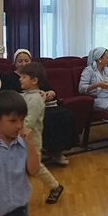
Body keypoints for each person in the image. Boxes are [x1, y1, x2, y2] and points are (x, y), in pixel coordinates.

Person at [3, 49, 77, 166]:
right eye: (20, 61)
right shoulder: (9, 77)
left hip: (44, 105)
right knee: (47, 119)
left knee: (65, 115)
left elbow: (51, 90)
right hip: (24, 108)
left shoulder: (36, 75)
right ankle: (42, 151)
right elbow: (8, 95)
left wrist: (49, 93)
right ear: (15, 63)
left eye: (26, 61)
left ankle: (57, 151)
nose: (23, 63)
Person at [19, 62, 64, 204]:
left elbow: (29, 122)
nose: (20, 79)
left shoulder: (35, 100)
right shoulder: (28, 95)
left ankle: (55, 186)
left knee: (36, 168)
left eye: (24, 77)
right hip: (23, 139)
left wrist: (13, 129)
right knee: (24, 167)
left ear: (34, 80)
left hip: (32, 141)